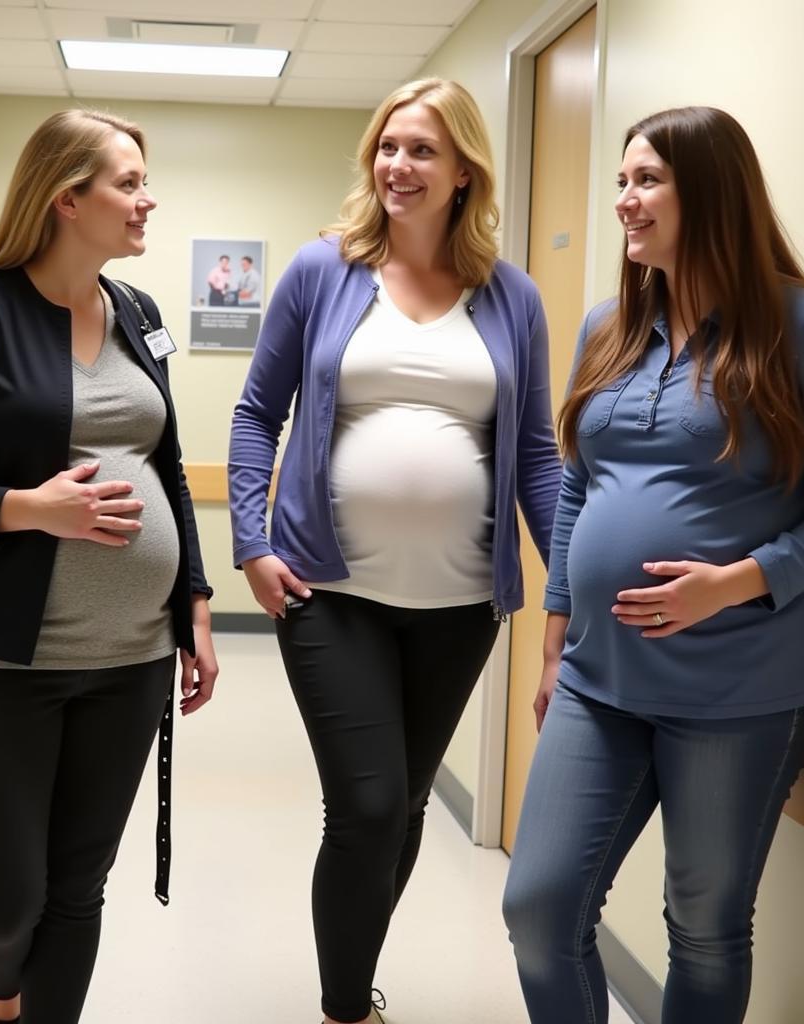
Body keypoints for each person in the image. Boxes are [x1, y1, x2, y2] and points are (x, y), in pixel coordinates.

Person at [228, 77, 561, 1024]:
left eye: (421, 151)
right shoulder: (320, 270)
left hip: (459, 606)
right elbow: (257, 414)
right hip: (328, 592)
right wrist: (251, 540)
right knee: (370, 806)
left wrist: (565, 583)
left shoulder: (512, 297)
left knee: (406, 807)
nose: (398, 167)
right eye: (387, 147)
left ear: (464, 172)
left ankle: (352, 975)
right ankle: (344, 1007)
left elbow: (534, 452)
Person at [502, 106, 804, 1024]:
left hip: (745, 681)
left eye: (645, 181)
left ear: (712, 193)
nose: (624, 201)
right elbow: (578, 488)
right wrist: (557, 627)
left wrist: (739, 580)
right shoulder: (612, 326)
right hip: (599, 678)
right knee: (537, 907)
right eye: (620, 181)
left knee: (704, 924)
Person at [0, 109, 219, 1024]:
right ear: (68, 199)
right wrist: (35, 509)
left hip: (132, 658)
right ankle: (4, 995)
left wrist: (194, 598)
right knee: (5, 905)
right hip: (3, 658)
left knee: (78, 888)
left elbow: (166, 468)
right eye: (129, 183)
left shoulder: (138, 315)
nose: (147, 200)